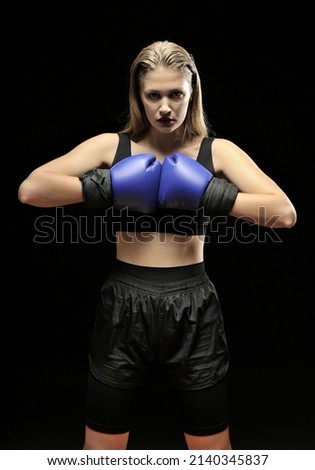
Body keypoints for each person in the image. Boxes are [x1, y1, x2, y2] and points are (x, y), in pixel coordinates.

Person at [18, 40, 297, 450]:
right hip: (124, 304)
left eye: (176, 94)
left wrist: (209, 194)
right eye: (154, 95)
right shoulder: (112, 147)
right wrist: (108, 184)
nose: (165, 107)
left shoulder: (216, 151)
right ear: (139, 97)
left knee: (213, 452)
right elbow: (31, 190)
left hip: (194, 306)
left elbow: (284, 213)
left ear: (192, 94)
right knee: (100, 453)